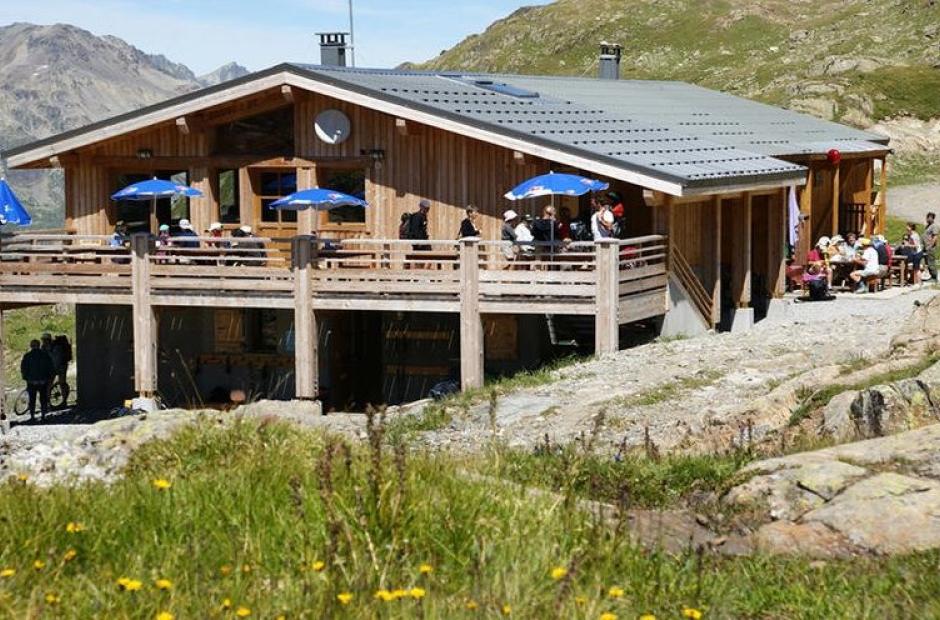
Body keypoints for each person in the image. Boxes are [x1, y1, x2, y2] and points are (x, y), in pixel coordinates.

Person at [20, 339, 55, 420]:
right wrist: (50, 377)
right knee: (43, 398)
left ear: (31, 346)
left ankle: (32, 416)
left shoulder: (27, 356)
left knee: (32, 399)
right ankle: (43, 415)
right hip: (43, 381)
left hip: (31, 381)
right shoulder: (45, 355)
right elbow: (50, 367)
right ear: (39, 345)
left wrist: (25, 377)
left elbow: (23, 368)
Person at [50, 335, 72, 402]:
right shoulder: (65, 347)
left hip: (57, 366)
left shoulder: (57, 348)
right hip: (63, 366)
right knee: (62, 383)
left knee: (50, 383)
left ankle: (48, 400)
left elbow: (56, 359)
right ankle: (64, 400)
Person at [925, 212, 939, 281]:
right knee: (928, 262)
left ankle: (934, 277)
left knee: (931, 262)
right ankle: (931, 276)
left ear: (932, 218)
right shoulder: (928, 226)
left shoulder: (934, 226)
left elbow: (935, 237)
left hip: (931, 247)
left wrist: (930, 246)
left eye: (929, 217)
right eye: (927, 217)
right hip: (926, 247)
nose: (927, 219)